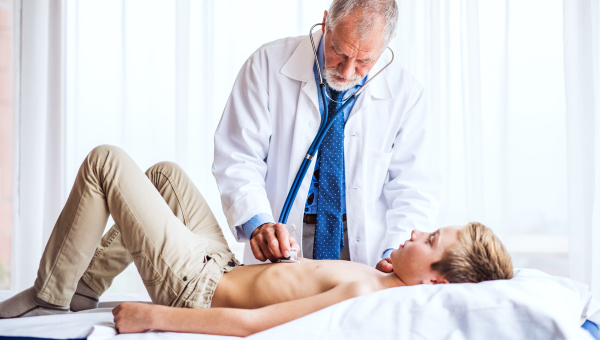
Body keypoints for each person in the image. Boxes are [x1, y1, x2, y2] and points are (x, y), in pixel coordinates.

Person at [0, 146, 513, 337]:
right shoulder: (382, 277)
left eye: (429, 237)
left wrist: (150, 316)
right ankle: (84, 288)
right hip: (218, 263)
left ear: (435, 279)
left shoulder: (367, 296)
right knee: (165, 174)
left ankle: (51, 295)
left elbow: (252, 325)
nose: (416, 231)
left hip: (194, 287)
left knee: (106, 163)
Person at [212, 0, 440, 270]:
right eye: (339, 51)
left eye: (363, 61)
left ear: (384, 48)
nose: (346, 71)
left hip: (366, 246)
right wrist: (259, 223)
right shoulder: (266, 66)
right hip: (283, 235)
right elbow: (238, 156)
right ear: (325, 23)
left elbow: (414, 187)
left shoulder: (406, 94)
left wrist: (395, 252)